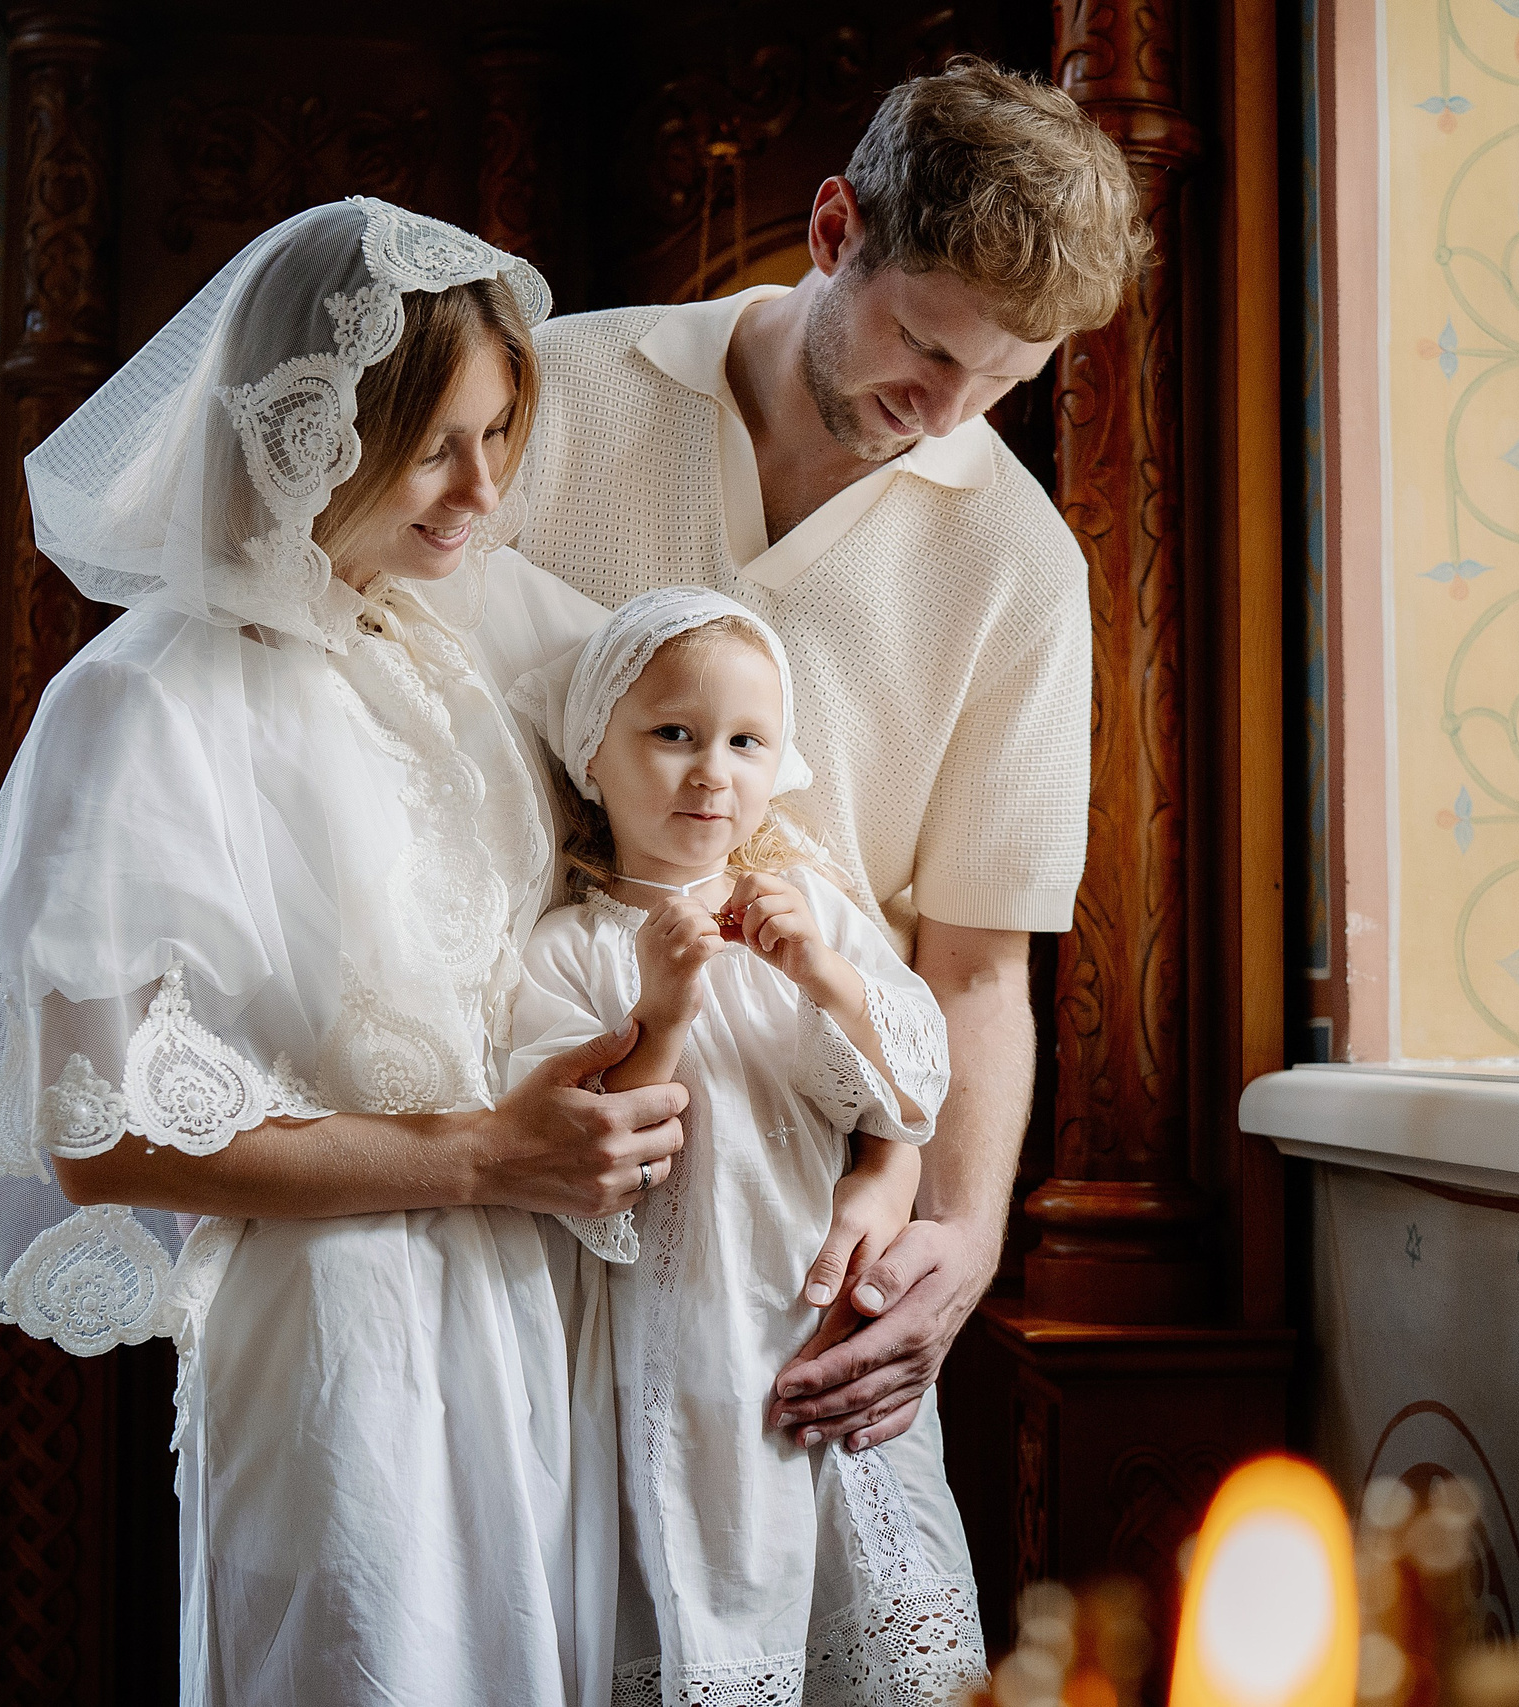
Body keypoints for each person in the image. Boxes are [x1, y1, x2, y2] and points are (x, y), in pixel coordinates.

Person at [0, 199, 685, 1707]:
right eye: (437, 442)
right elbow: (104, 1131)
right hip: (341, 1338)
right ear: (310, 422)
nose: (480, 493)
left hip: (533, 1312)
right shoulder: (145, 704)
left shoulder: (448, 646)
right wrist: (479, 1155)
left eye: (502, 435)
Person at [515, 56, 1152, 1461]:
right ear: (831, 231)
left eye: (1007, 378)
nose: (950, 408)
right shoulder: (547, 397)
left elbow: (981, 963)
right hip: (504, 1156)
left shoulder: (1022, 564)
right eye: (928, 348)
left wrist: (965, 1233)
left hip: (789, 1233)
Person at [505, 588, 979, 1704]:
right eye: (672, 734)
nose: (710, 770)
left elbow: (909, 1091)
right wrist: (661, 1010)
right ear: (592, 756)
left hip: (818, 1315)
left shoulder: (805, 906)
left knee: (868, 1570)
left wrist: (821, 973)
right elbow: (592, 1173)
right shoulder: (571, 949)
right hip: (682, 1336)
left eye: (744, 742)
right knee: (707, 1553)